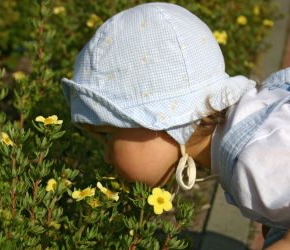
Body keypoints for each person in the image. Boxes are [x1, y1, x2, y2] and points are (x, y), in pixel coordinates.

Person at [61, 2, 290, 249]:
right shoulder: (256, 118)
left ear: (163, 120)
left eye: (108, 135)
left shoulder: (255, 159)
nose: (106, 157)